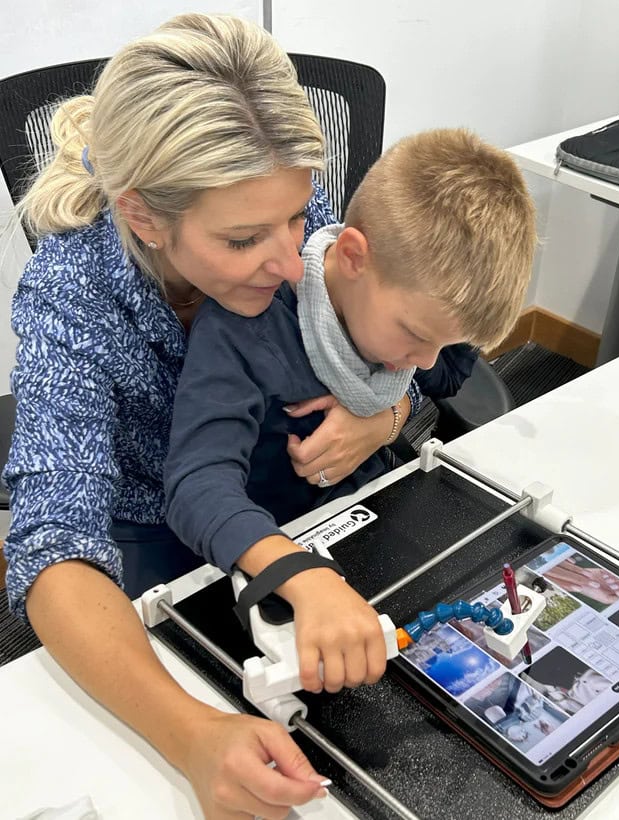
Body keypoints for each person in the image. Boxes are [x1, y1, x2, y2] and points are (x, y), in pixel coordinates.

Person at [1, 13, 429, 818]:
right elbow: (52, 551)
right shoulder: (72, 295)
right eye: (241, 241)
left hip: (304, 491)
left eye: (299, 219)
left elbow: (408, 323)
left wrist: (388, 411)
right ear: (145, 217)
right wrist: (193, 735)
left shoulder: (286, 205)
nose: (286, 259)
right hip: (159, 538)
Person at [164, 128, 537, 691]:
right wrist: (299, 573)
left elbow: (450, 368)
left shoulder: (417, 309)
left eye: (442, 343)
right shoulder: (243, 331)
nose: (425, 361)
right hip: (267, 561)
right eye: (414, 336)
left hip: (366, 517)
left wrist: (391, 409)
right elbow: (196, 485)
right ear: (355, 258)